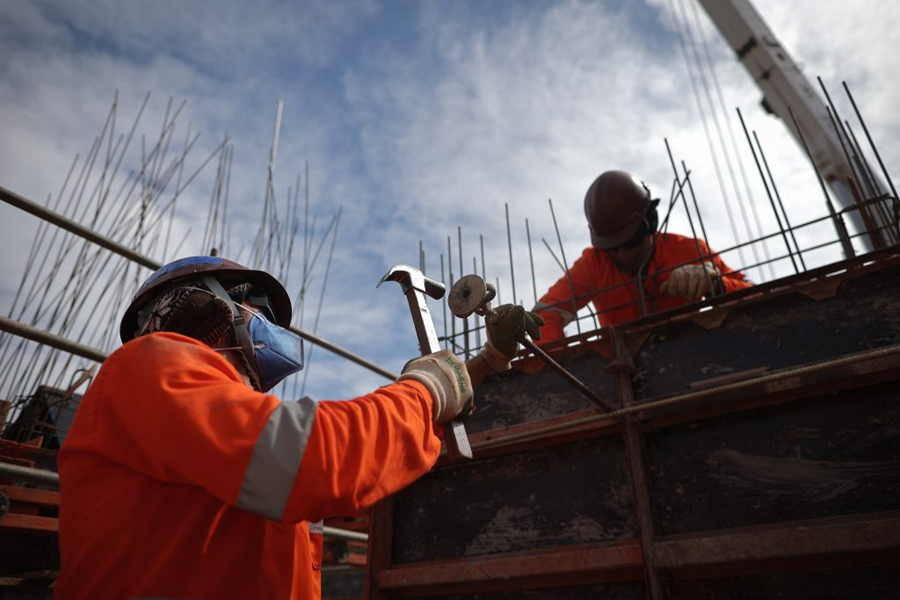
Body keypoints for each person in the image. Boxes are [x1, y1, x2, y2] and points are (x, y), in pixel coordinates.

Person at [55, 255, 541, 600]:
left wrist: (481, 365)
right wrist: (426, 390)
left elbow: (363, 450)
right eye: (260, 309)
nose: (273, 327)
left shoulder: (209, 419)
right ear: (207, 306)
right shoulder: (149, 363)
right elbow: (321, 459)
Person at [534, 170, 752, 344]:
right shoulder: (595, 263)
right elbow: (543, 317)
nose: (621, 253)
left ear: (650, 224)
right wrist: (563, 370)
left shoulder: (689, 250)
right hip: (627, 370)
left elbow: (758, 296)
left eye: (630, 242)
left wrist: (716, 285)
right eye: (612, 247)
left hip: (694, 352)